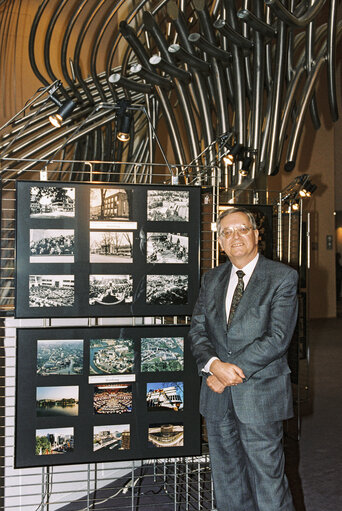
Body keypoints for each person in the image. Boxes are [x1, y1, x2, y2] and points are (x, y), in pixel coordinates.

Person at [189, 207, 298, 511]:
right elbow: (198, 330)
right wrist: (213, 366)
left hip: (260, 396)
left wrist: (227, 373)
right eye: (227, 232)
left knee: (268, 481)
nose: (235, 237)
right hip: (216, 399)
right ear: (220, 242)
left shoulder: (282, 277)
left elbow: (277, 338)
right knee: (227, 481)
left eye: (242, 229)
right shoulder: (211, 279)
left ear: (256, 234)